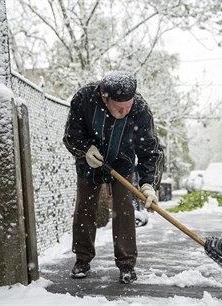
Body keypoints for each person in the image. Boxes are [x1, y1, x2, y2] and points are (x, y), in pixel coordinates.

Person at [63, 71, 164, 284]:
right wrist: (85, 150)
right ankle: (82, 259)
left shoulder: (140, 109)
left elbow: (150, 150)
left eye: (128, 106)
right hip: (90, 161)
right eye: (120, 108)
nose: (125, 111)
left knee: (123, 207)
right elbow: (71, 136)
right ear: (105, 97)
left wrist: (148, 184)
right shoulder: (84, 99)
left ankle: (127, 265)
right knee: (85, 208)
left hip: (122, 161)